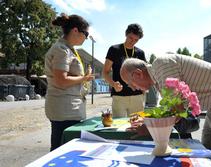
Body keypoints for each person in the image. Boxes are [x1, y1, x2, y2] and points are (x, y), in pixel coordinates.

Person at [120, 53, 211, 167]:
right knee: (206, 156)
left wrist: (150, 126)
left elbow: (177, 108)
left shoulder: (160, 64)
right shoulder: (158, 78)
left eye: (129, 83)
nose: (132, 88)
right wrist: (151, 122)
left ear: (138, 74)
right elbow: (173, 109)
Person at [44, 13, 94, 151]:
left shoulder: (68, 49)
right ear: (75, 30)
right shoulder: (62, 50)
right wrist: (84, 78)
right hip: (64, 110)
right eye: (86, 33)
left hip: (68, 109)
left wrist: (85, 77)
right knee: (62, 150)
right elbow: (61, 80)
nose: (86, 37)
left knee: (65, 149)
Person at [102, 23, 147, 118]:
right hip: (119, 96)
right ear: (126, 34)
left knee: (137, 127)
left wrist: (143, 91)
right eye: (131, 38)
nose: (133, 42)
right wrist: (113, 84)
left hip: (137, 96)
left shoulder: (140, 53)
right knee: (118, 127)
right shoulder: (114, 49)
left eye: (136, 40)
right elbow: (105, 72)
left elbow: (145, 74)